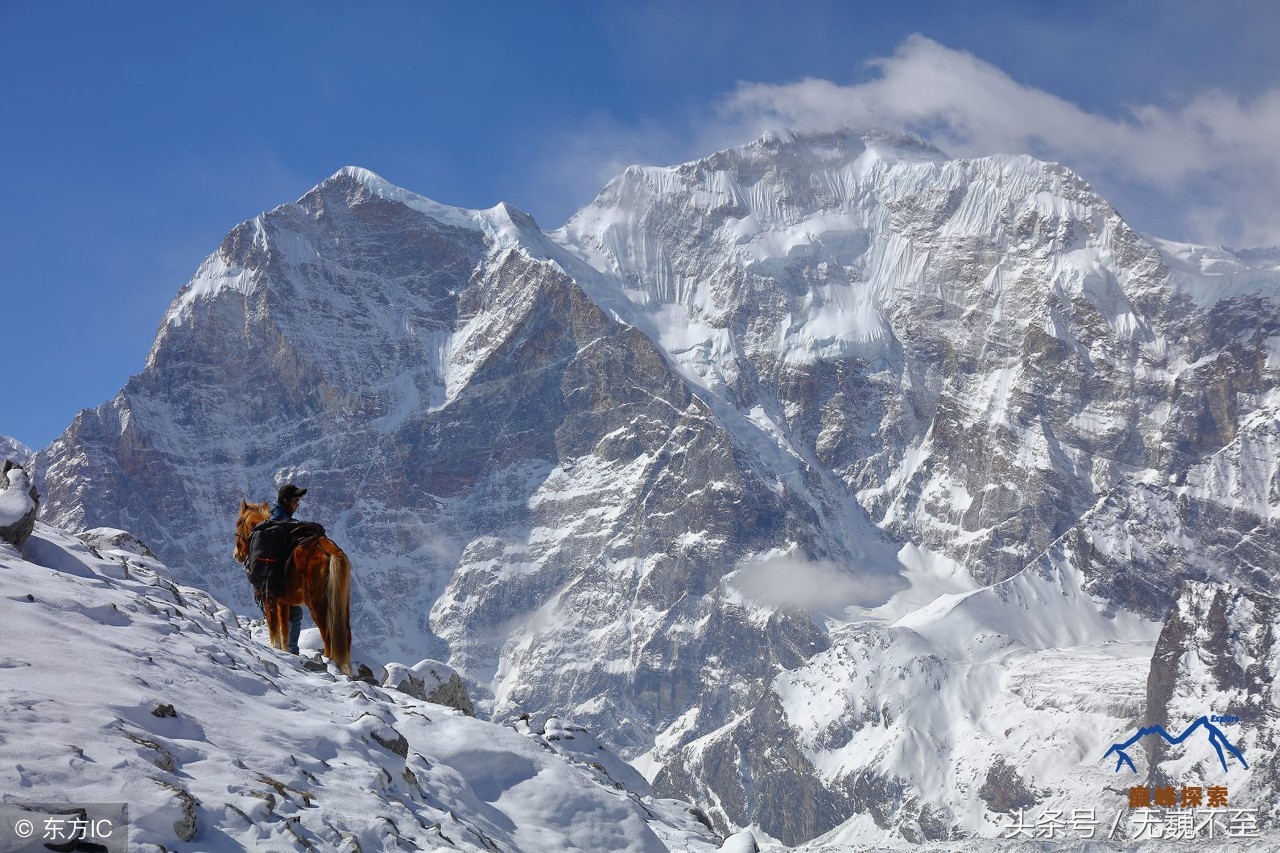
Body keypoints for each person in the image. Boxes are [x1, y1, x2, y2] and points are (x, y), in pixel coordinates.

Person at [270, 483, 308, 655]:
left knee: (295, 614)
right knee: (294, 614)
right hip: (277, 582)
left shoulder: (281, 514)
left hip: (278, 581)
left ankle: (289, 649)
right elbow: (280, 524)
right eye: (295, 500)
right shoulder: (278, 516)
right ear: (286, 501)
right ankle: (290, 651)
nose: (297, 504)